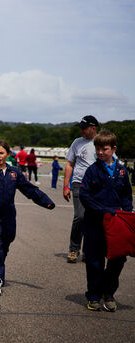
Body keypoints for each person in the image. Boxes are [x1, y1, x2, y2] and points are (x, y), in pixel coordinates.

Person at [0, 140, 55, 294]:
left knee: (6, 242)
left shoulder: (15, 172)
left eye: (1, 153)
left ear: (7, 154)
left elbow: (29, 189)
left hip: (9, 213)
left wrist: (46, 201)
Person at [79, 130, 133, 311]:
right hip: (95, 223)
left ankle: (108, 293)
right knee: (95, 261)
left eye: (105, 149)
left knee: (117, 260)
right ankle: (93, 295)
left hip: (117, 224)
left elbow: (126, 195)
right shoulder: (92, 170)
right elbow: (84, 195)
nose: (100, 152)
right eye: (98, 149)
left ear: (113, 149)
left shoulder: (121, 171)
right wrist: (103, 211)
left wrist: (127, 214)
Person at [63, 115, 98, 263]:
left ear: (93, 128)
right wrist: (66, 185)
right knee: (80, 216)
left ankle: (89, 250)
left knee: (94, 219)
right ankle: (74, 249)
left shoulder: (101, 141)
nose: (82, 130)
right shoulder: (77, 142)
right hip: (79, 183)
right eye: (81, 128)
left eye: (85, 128)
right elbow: (69, 164)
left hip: (97, 186)